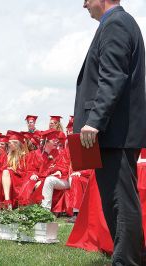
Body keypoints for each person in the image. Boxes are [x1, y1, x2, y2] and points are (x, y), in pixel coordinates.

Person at [73, 0, 146, 264]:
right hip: (116, 131)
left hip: (115, 132)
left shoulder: (115, 24)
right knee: (117, 201)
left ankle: (127, 260)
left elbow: (113, 76)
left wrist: (94, 121)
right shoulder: (118, 23)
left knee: (120, 202)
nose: (84, 5)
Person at [0, 131, 28, 208]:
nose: (9, 144)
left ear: (17, 144)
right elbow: (2, 168)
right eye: (9, 143)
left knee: (6, 172)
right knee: (5, 171)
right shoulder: (8, 156)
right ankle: (7, 201)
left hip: (20, 178)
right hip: (10, 177)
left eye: (11, 143)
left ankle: (8, 202)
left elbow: (27, 171)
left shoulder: (25, 156)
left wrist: (14, 170)